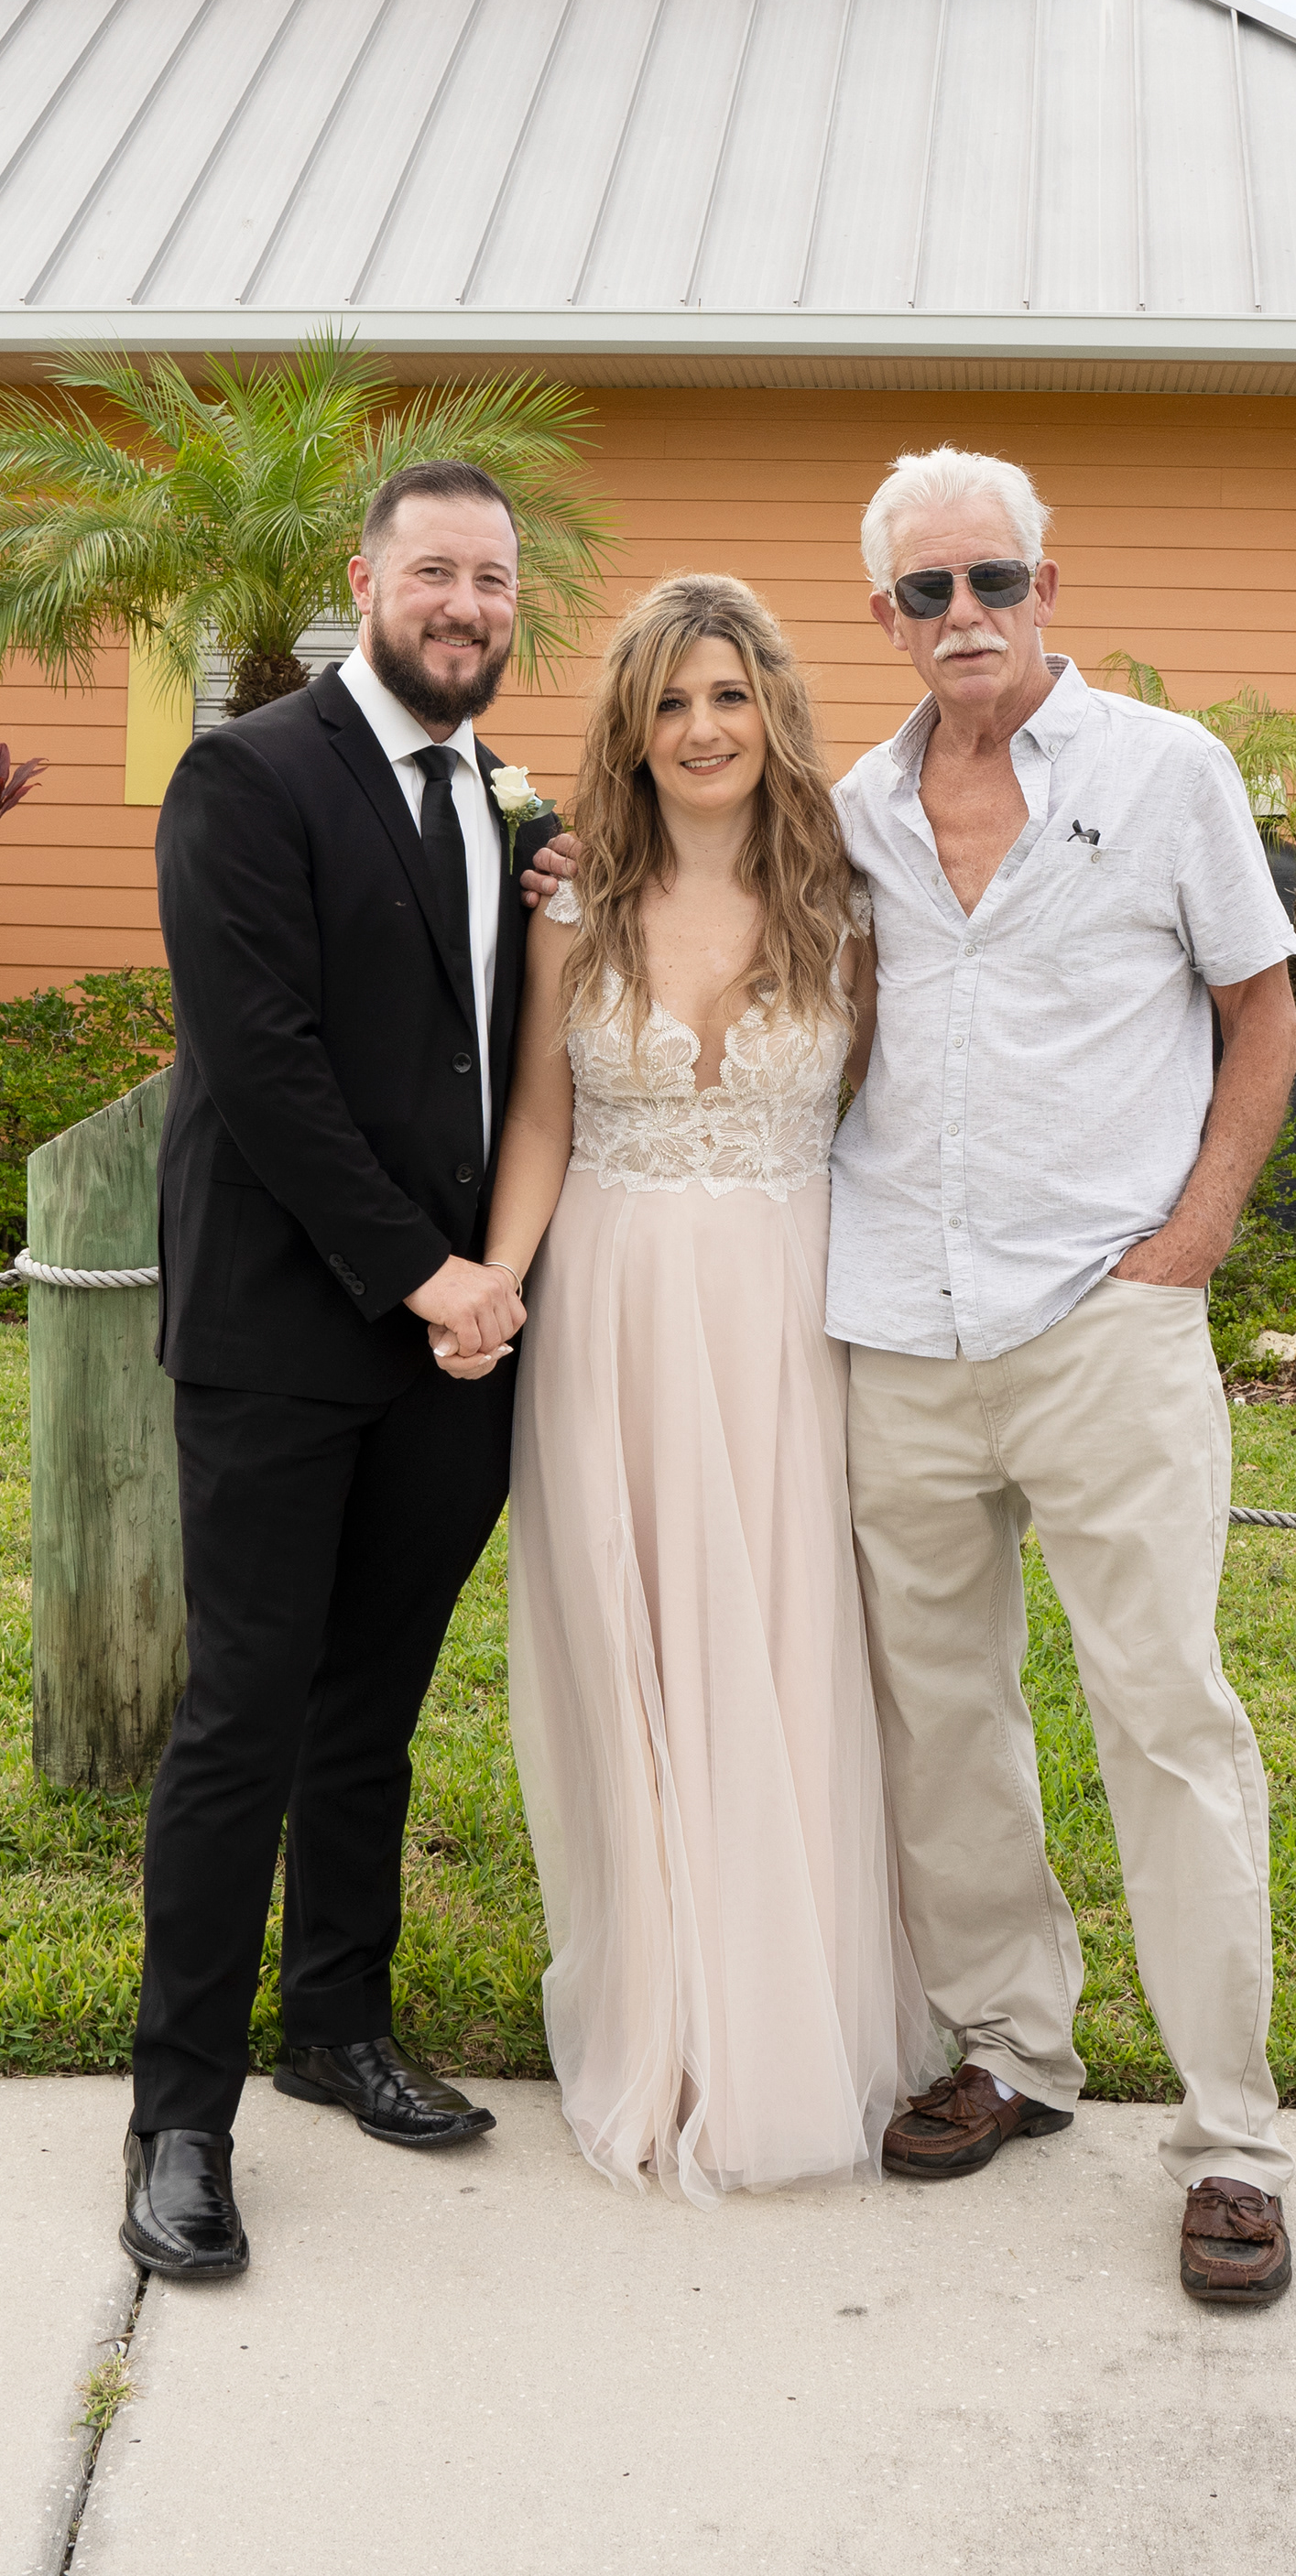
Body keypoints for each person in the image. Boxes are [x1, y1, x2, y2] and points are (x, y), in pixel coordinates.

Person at [831, 446, 1296, 2305]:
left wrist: (1190, 1243)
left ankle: (1234, 2140)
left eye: (994, 580)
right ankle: (1015, 2051)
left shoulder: (1171, 772)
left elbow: (1263, 1012)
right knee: (941, 1717)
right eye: (927, 590)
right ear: (885, 616)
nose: (966, 616)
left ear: (1049, 585)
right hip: (898, 1329)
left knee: (1168, 1718)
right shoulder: (850, 810)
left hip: (1107, 1322)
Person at [446, 573, 940, 2202]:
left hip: (793, 1309)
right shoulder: (571, 902)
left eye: (729, 696)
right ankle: (660, 2013)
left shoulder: (853, 898)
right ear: (633, 729)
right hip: (613, 1303)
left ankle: (788, 2020)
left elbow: (892, 1110)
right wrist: (499, 1280)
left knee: (794, 1640)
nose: (703, 728)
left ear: (774, 712)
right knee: (635, 1642)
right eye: (670, 702)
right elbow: (541, 1119)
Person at [123, 461, 558, 2281]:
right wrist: (427, 1274)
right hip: (287, 1335)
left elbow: (491, 1058)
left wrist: (482, 1292)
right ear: (365, 583)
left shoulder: (509, 808)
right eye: (435, 570)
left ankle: (336, 2024)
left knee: (371, 1704)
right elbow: (265, 1063)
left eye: (494, 579)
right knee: (244, 1712)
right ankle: (179, 2117)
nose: (466, 604)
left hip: (456, 1353)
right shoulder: (246, 778)